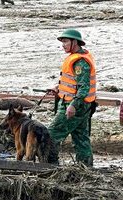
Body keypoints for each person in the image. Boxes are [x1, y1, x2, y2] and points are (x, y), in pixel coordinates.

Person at [47, 29, 96, 167]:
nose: (63, 45)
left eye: (65, 41)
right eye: (62, 42)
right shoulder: (76, 57)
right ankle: (86, 169)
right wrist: (58, 87)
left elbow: (84, 87)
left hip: (74, 105)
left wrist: (73, 105)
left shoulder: (80, 61)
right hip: (81, 104)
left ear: (75, 42)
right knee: (81, 138)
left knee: (51, 135)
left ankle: (49, 166)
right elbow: (74, 82)